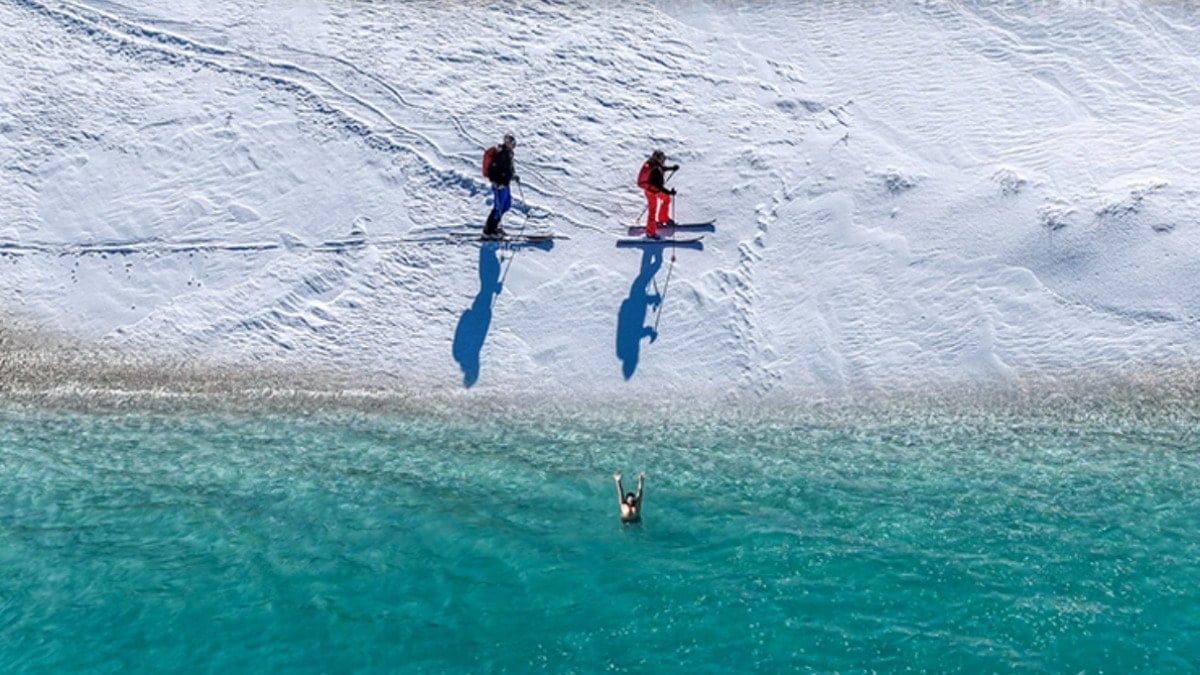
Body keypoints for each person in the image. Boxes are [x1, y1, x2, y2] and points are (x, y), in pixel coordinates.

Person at [636, 150, 679, 239]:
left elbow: (662, 168)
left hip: (654, 190)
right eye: (662, 159)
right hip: (651, 192)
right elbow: (659, 187)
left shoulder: (653, 163)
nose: (663, 161)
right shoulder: (654, 171)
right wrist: (670, 192)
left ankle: (663, 218)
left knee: (666, 199)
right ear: (659, 159)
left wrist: (672, 168)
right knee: (652, 210)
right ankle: (650, 233)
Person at [484, 133, 519, 238]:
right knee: (498, 207)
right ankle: (488, 231)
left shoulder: (509, 153)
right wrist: (495, 182)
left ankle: (495, 227)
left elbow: (507, 169)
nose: (511, 144)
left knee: (506, 205)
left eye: (512, 142)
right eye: (509, 141)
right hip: (499, 185)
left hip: (505, 185)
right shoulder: (500, 153)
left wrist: (512, 176)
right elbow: (492, 170)